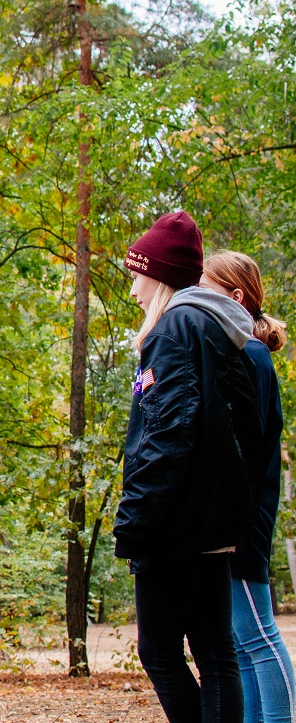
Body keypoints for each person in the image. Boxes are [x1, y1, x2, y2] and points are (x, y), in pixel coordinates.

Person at [115, 211, 263, 723]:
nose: (133, 291)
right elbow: (249, 426)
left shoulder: (174, 329)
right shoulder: (218, 329)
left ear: (157, 277)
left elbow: (167, 435)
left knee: (160, 655)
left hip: (175, 524)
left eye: (136, 278)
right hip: (214, 522)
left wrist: (135, 521)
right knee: (217, 655)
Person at [201, 250, 295, 723]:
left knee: (258, 635)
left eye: (207, 286)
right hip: (232, 518)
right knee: (240, 639)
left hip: (245, 520)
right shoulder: (240, 353)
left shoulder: (252, 356)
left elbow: (247, 448)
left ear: (236, 297)